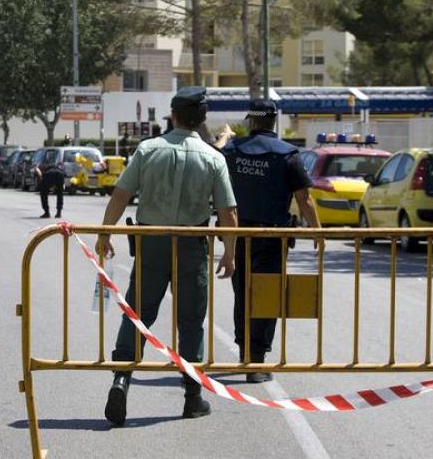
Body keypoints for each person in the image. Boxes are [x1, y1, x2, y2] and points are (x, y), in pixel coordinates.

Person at [95, 86, 238, 425]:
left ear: (173, 115)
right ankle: (192, 396)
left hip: (151, 241)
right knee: (191, 320)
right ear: (201, 119)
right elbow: (228, 211)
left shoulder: (148, 149)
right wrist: (229, 254)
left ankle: (121, 379)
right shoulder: (213, 157)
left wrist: (105, 232)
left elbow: (121, 194)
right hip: (192, 243)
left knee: (138, 313)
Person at [220, 98, 320, 382]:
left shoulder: (233, 151)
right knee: (267, 294)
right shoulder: (287, 154)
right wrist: (317, 233)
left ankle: (244, 354)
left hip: (239, 236)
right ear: (274, 121)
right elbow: (305, 200)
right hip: (272, 236)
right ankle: (257, 361)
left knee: (242, 294)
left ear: (251, 120)